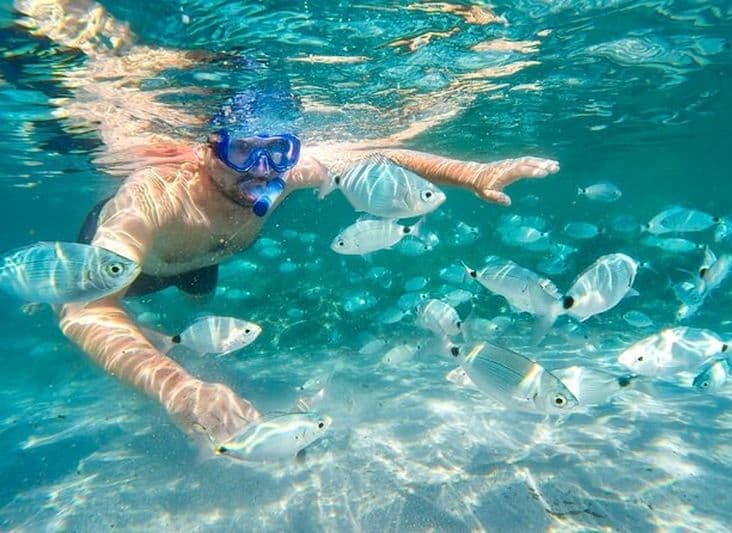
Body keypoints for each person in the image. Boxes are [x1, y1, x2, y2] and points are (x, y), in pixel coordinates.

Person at [17, 0, 559, 457]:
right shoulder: (152, 200)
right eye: (242, 151)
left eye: (278, 152)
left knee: (199, 301)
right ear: (208, 150)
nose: (262, 170)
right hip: (142, 264)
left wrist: (472, 173)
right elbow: (87, 308)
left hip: (203, 259)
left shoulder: (285, 171)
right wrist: (178, 389)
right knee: (86, 295)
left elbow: (381, 153)